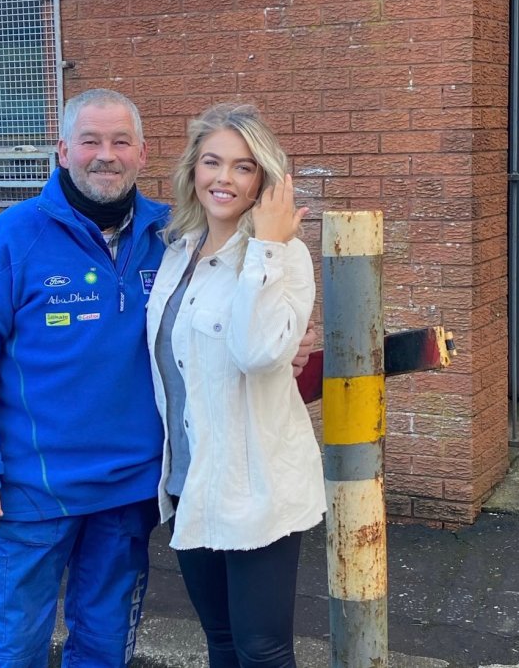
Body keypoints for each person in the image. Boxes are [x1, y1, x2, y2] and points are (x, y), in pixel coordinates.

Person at [0, 88, 167, 668]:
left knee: (105, 648)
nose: (105, 155)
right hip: (29, 493)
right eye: (90, 141)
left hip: (129, 489)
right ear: (62, 150)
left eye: (120, 142)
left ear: (143, 153)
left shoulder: (175, 235)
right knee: (15, 649)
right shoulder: (8, 240)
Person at [146, 103, 325, 668]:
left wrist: (268, 247)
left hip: (254, 485)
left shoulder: (284, 257)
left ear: (263, 181)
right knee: (220, 643)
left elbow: (256, 353)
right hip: (188, 478)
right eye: (212, 162)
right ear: (192, 171)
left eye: (243, 167)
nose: (223, 178)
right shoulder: (177, 252)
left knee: (263, 651)